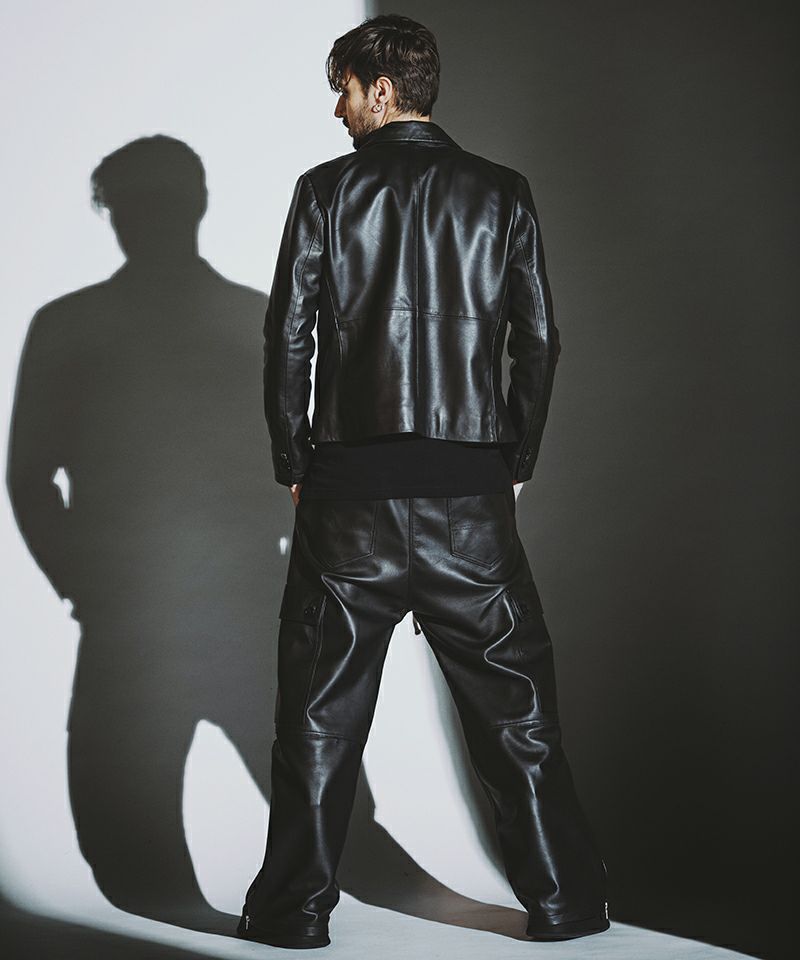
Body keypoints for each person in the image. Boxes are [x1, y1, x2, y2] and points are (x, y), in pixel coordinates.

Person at [238, 13, 609, 950]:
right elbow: (540, 340)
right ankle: (568, 905)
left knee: (317, 723)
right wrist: (512, 462)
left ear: (382, 87)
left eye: (344, 90)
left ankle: (291, 915)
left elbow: (288, 337)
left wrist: (295, 463)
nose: (338, 109)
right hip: (468, 501)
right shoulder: (501, 192)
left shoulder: (325, 193)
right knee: (517, 720)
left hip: (348, 501)